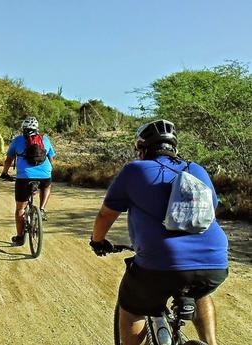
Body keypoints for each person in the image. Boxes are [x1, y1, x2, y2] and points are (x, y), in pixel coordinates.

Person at [89, 119, 228, 345]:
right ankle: (211, 342)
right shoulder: (196, 169)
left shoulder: (134, 170)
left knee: (132, 307)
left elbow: (106, 215)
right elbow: (211, 210)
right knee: (199, 292)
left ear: (143, 150)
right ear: (174, 147)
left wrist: (98, 241)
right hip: (214, 262)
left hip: (159, 264)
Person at [0, 117, 55, 245]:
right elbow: (51, 159)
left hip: (24, 177)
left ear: (23, 128)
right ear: (37, 128)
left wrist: (4, 173)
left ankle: (20, 237)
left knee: (20, 209)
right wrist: (49, 172)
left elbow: (8, 160)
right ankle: (41, 209)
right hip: (44, 174)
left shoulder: (18, 140)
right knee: (47, 186)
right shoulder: (45, 139)